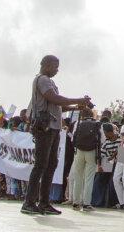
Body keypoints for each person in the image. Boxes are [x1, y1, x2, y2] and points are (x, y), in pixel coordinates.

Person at [22, 54, 92, 216]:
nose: (57, 70)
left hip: (52, 128)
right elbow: (54, 98)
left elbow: (57, 106)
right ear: (46, 65)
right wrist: (78, 99)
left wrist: (77, 106)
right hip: (45, 129)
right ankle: (29, 202)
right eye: (55, 66)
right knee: (41, 164)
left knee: (50, 164)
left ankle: (44, 203)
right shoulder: (43, 80)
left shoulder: (48, 81)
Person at [69, 107, 101, 211]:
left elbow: (73, 139)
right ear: (92, 115)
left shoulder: (78, 123)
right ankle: (87, 204)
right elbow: (101, 140)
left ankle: (76, 202)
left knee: (78, 176)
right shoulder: (97, 124)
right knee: (89, 178)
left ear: (82, 115)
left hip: (79, 151)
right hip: (91, 152)